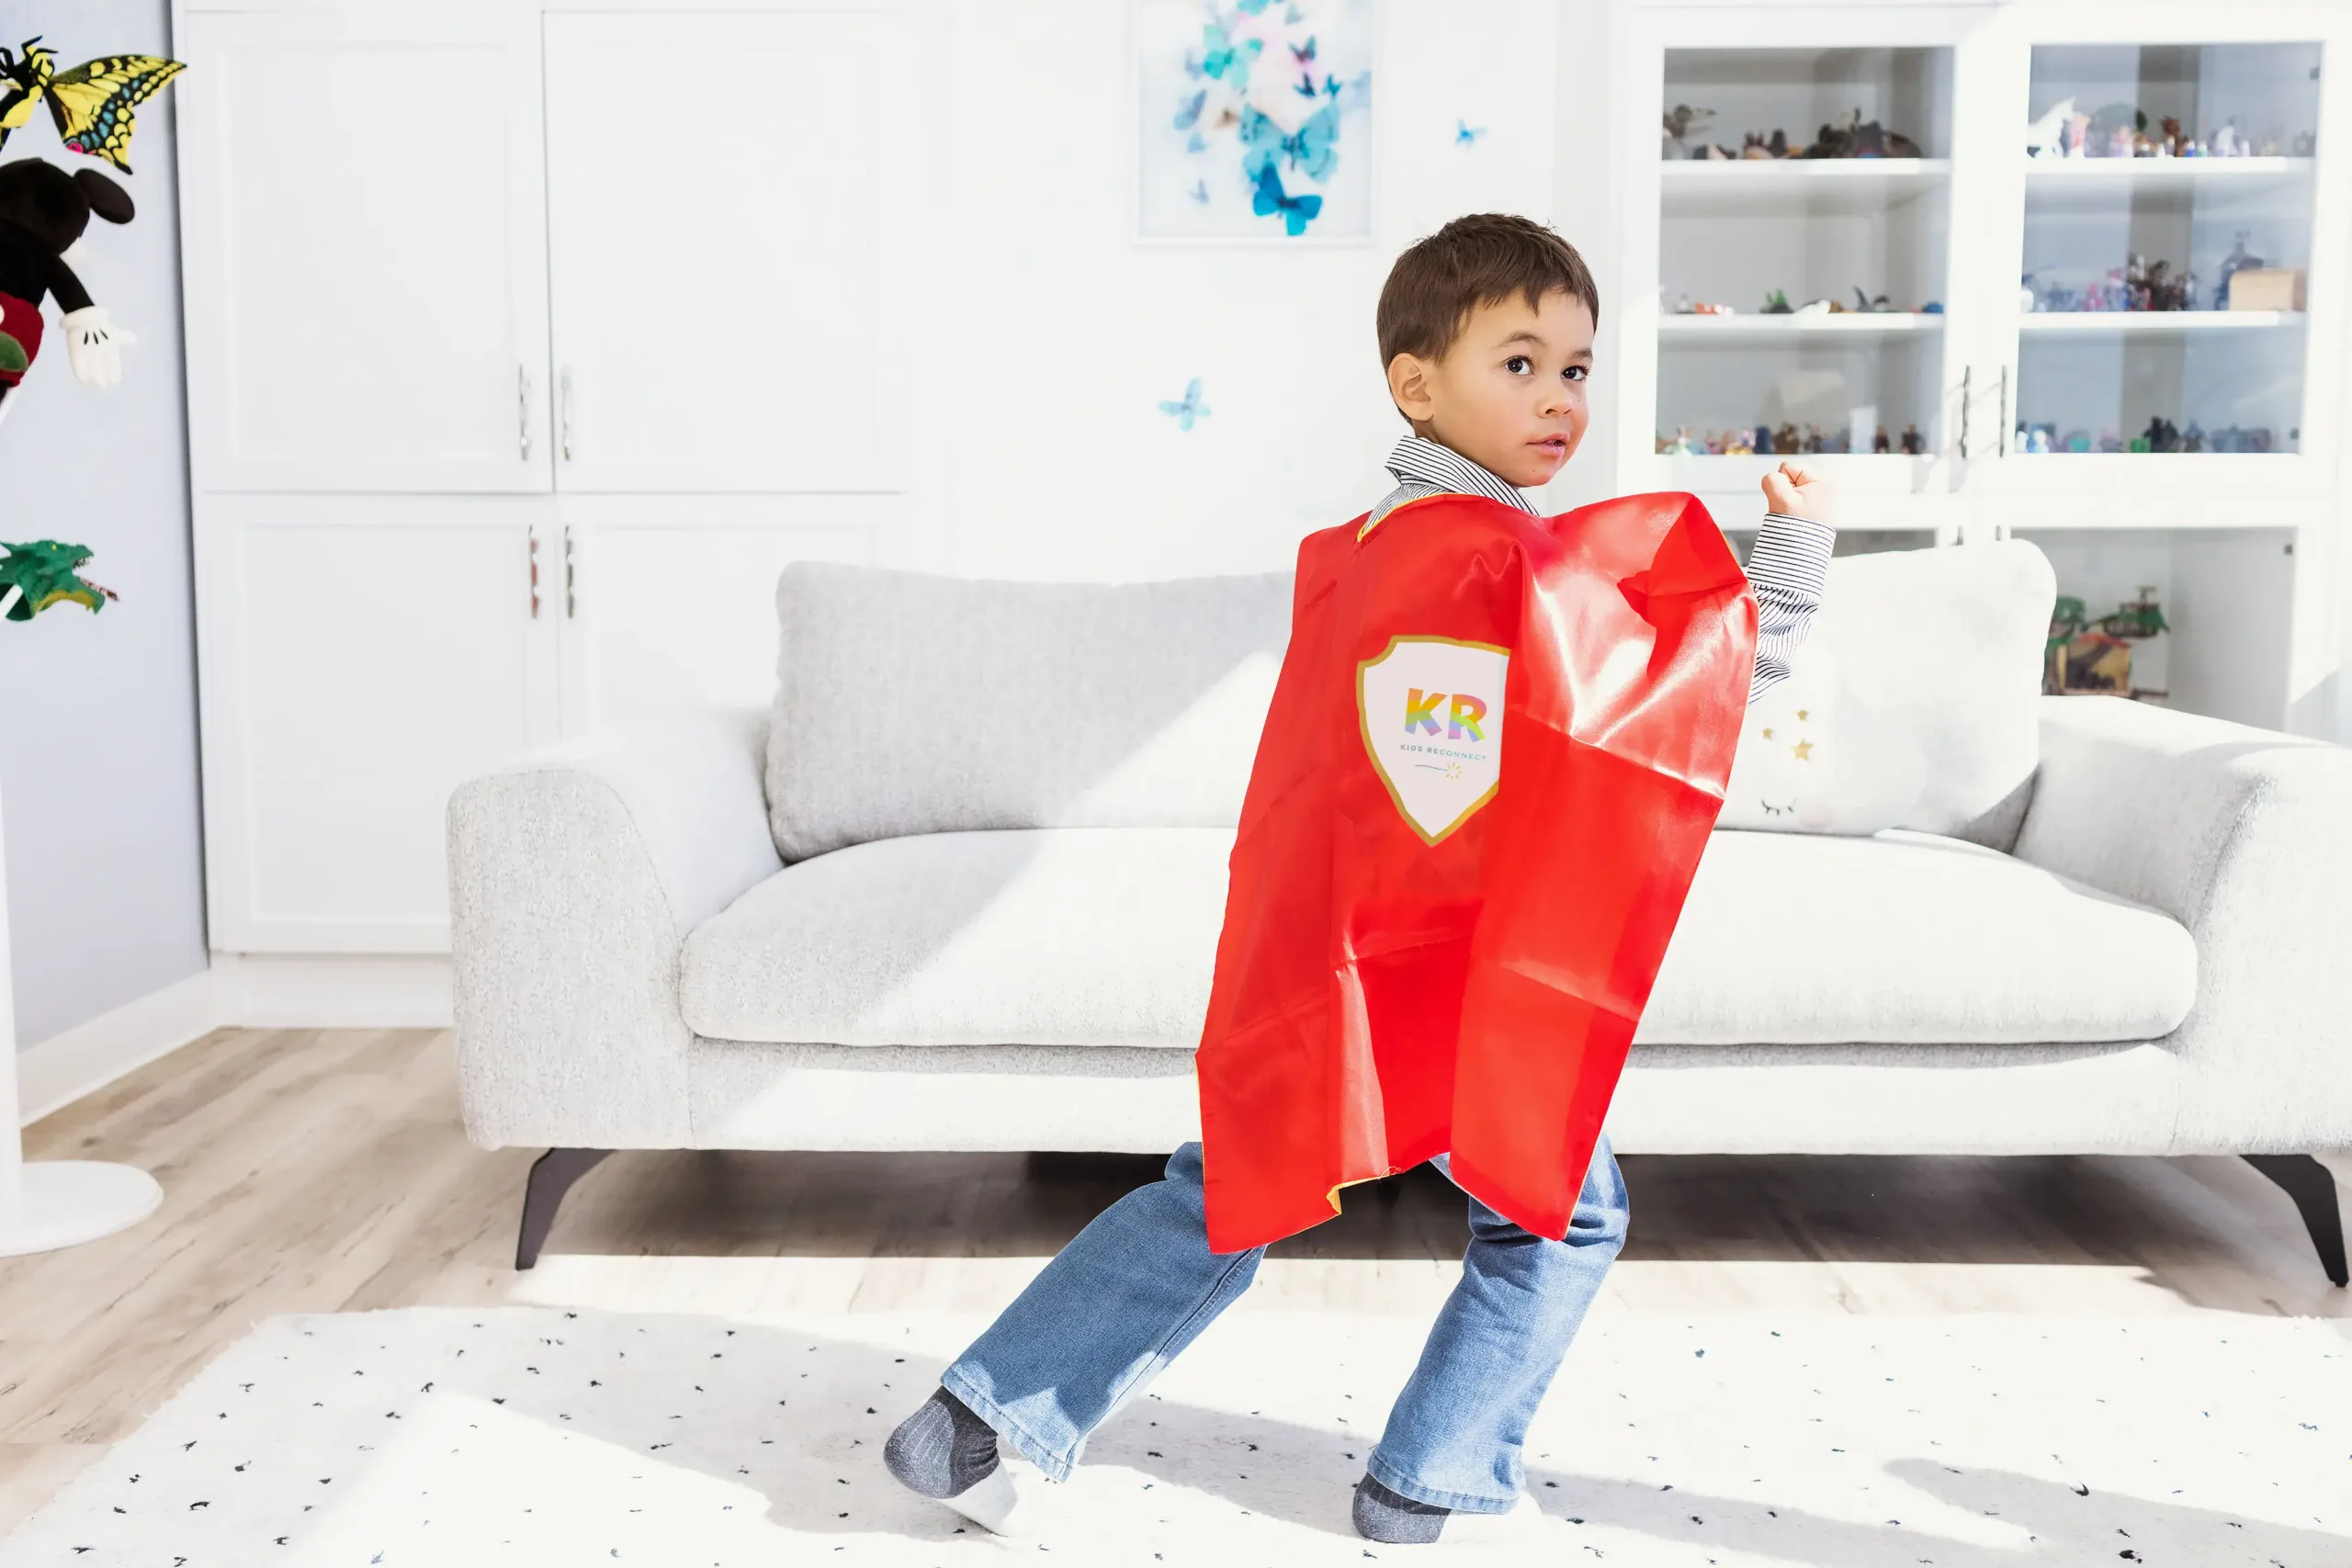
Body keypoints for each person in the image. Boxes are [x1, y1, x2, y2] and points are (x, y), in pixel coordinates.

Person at [883, 213, 1837, 1546]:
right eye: (1520, 362)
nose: (1560, 397)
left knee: (1228, 1189)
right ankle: (1424, 1480)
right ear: (1416, 381)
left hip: (1330, 960)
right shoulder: (1514, 565)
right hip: (1468, 979)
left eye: (1577, 367)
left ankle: (978, 1413)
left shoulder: (1365, 550)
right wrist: (1782, 578)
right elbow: (1678, 708)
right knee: (1559, 1215)